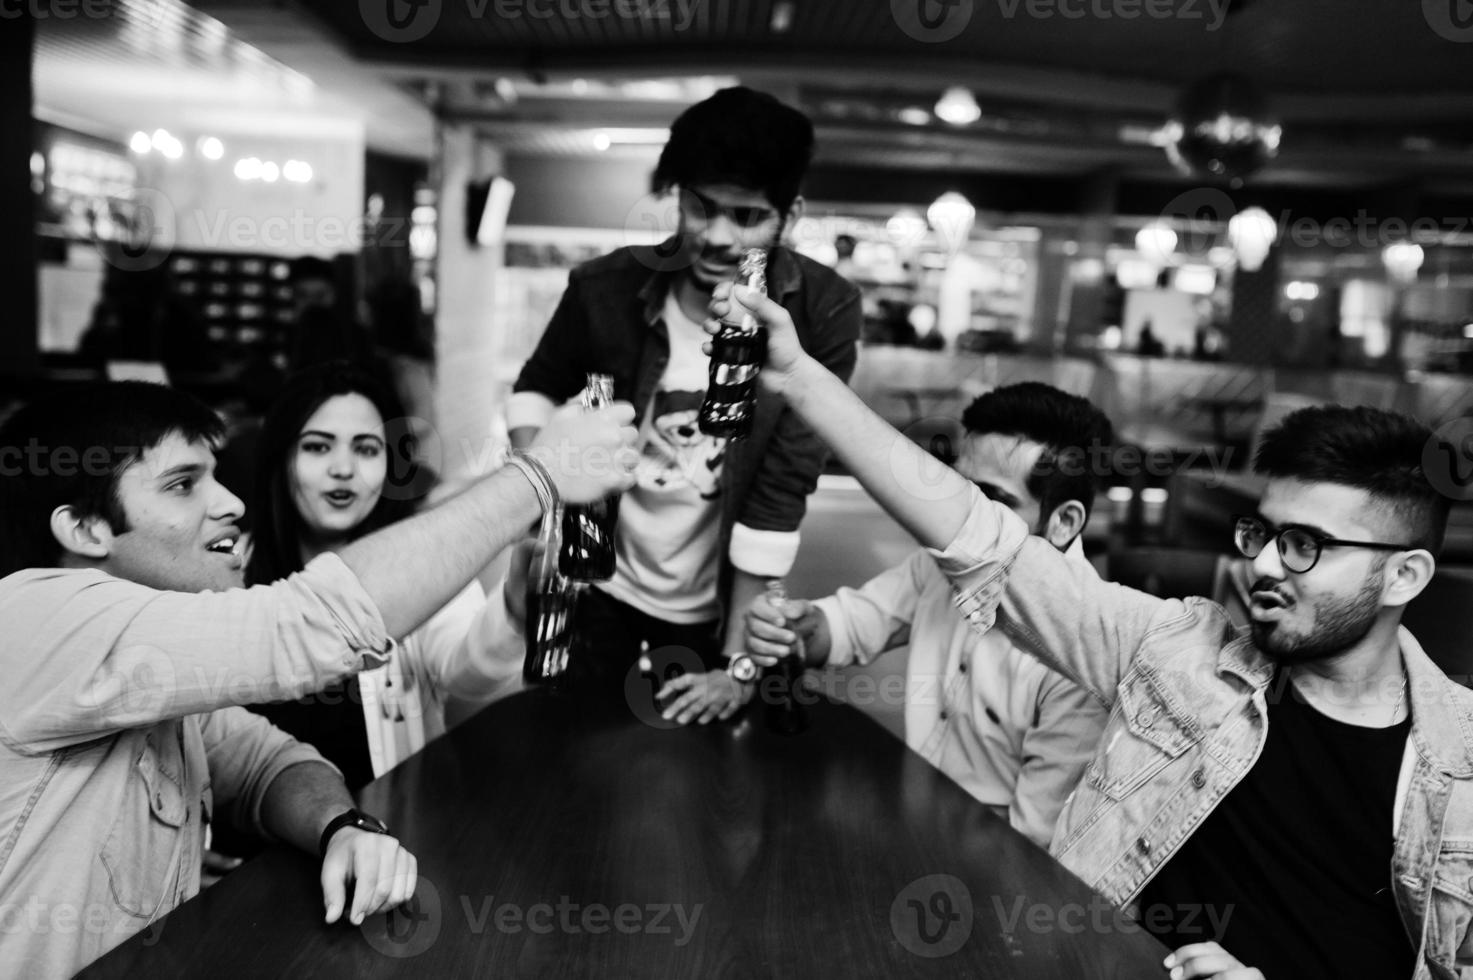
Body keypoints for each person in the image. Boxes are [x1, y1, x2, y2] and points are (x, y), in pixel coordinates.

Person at [715, 281, 1468, 980]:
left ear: (1402, 576)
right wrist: (799, 376)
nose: (1264, 565)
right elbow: (980, 540)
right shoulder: (1175, 650)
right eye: (1260, 534)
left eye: (1305, 545)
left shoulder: (1459, 768)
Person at [0, 380, 635, 977]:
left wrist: (341, 825)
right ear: (84, 528)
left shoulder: (158, 658)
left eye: (365, 448)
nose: (230, 503)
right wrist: (541, 475)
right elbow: (307, 625)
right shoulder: (34, 617)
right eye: (183, 484)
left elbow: (262, 762)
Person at [506, 86, 862, 697]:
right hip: (597, 582)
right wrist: (545, 496)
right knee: (569, 750)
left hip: (716, 604)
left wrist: (735, 664)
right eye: (701, 207)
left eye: (747, 216)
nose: (717, 236)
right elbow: (536, 388)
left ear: (790, 216)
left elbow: (783, 485)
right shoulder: (605, 287)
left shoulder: (823, 310)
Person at [666, 383, 1114, 849]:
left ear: (1063, 522)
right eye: (957, 491)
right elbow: (847, 627)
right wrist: (795, 628)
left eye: (988, 501)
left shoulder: (1083, 654)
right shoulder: (940, 566)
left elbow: (1033, 849)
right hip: (914, 832)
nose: (960, 519)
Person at [241, 362, 525, 791]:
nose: (344, 468)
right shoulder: (231, 569)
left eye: (367, 449)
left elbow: (465, 671)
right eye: (317, 447)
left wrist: (515, 611)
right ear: (281, 458)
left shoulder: (421, 561)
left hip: (381, 837)